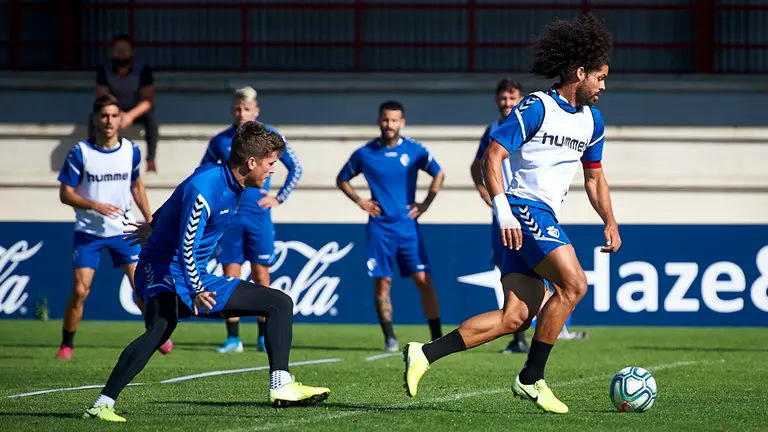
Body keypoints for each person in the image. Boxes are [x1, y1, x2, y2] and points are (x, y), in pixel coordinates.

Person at [403, 13, 619, 414]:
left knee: (515, 318)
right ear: (580, 72)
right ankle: (531, 378)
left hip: (540, 216)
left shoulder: (593, 121)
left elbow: (595, 179)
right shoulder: (538, 107)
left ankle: (425, 353)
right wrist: (502, 210)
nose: (604, 86)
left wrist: (609, 220)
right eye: (601, 78)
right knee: (574, 285)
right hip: (524, 208)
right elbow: (493, 156)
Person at [82, 122, 330, 423]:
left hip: (193, 271)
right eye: (270, 163)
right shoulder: (207, 189)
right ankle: (102, 403)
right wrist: (197, 289)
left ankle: (281, 385)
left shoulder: (231, 183)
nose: (273, 171)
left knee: (279, 303)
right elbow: (186, 245)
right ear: (251, 162)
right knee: (161, 327)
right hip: (162, 266)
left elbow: (176, 201)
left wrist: (155, 223)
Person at [471, 79, 587, 354]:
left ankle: (554, 328)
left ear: (519, 99)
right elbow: (480, 164)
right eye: (503, 99)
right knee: (510, 272)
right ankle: (521, 336)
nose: (508, 103)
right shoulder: (493, 129)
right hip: (505, 214)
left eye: (512, 98)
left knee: (550, 272)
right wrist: (488, 196)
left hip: (529, 209)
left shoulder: (532, 118)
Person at [56, 94, 172, 360]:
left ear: (121, 120)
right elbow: (65, 194)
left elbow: (136, 185)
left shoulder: (130, 150)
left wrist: (150, 218)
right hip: (89, 232)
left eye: (113, 115)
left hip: (123, 230)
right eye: (104, 115)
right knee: (80, 290)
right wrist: (95, 205)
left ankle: (155, 335)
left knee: (140, 287)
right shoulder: (80, 152)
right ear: (96, 119)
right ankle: (67, 344)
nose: (109, 121)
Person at [336, 101, 444, 353]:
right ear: (379, 121)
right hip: (380, 229)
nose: (389, 125)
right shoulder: (365, 153)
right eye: (386, 120)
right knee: (383, 283)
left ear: (402, 123)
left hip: (408, 228)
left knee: (423, 280)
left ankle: (437, 337)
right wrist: (360, 201)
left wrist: (426, 202)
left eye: (394, 120)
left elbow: (438, 174)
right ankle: (390, 338)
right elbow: (342, 179)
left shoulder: (415, 150)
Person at [201, 86, 303, 354]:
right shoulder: (221, 141)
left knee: (261, 274)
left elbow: (296, 167)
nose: (241, 113)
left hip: (258, 215)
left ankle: (262, 335)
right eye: (237, 108)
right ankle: (233, 337)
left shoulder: (271, 137)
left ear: (256, 110)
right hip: (229, 216)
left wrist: (279, 198)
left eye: (247, 108)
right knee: (229, 274)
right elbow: (203, 172)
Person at [93, 34, 159, 172]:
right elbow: (102, 97)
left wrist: (130, 115)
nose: (121, 53)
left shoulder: (143, 70)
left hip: (136, 110)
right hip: (113, 109)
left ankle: (151, 160)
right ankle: (95, 155)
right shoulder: (104, 70)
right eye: (117, 49)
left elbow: (148, 101)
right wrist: (118, 113)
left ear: (132, 52)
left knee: (151, 118)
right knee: (94, 117)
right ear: (112, 52)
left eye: (125, 49)